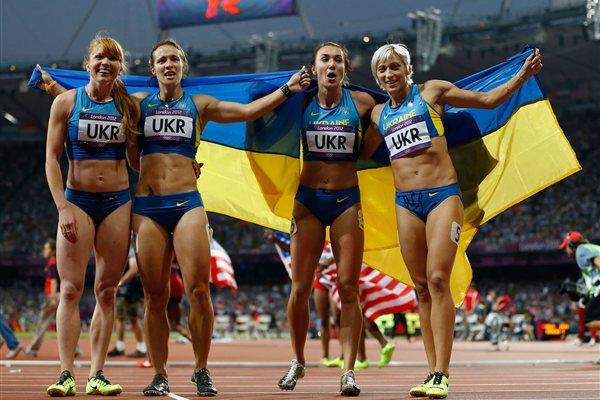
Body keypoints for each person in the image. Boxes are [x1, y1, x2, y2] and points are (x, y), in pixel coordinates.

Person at [127, 39, 310, 397]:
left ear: (183, 67)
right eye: (162, 60)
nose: (168, 65)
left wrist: (287, 89)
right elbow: (96, 102)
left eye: (174, 59)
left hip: (187, 203)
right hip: (148, 207)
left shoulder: (200, 104)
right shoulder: (136, 105)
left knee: (198, 289)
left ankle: (201, 369)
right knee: (154, 295)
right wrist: (55, 87)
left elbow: (247, 112)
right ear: (152, 69)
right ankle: (160, 373)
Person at [362, 43, 542, 398]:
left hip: (443, 197)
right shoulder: (376, 114)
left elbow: (488, 101)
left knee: (438, 278)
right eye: (382, 70)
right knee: (420, 287)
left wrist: (522, 76)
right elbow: (360, 153)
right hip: (405, 203)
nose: (388, 74)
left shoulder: (432, 92)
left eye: (395, 67)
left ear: (407, 68)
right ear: (376, 77)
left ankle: (442, 373)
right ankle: (430, 372)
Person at [278, 42, 376, 397]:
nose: (331, 64)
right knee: (300, 287)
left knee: (349, 288)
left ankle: (348, 371)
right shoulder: (299, 102)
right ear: (315, 68)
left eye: (338, 60)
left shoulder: (364, 104)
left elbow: (394, 120)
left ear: (345, 69)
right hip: (307, 203)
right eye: (325, 60)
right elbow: (262, 115)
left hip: (347, 201)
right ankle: (298, 360)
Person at [43, 34, 139, 397]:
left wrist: (178, 162)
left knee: (107, 290)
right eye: (100, 57)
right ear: (88, 63)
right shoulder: (66, 104)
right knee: (70, 289)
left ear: (119, 67)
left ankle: (97, 374)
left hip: (117, 202)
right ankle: (66, 374)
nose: (106, 63)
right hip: (77, 201)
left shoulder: (128, 106)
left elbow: (133, 160)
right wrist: (63, 206)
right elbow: (52, 159)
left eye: (113, 59)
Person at [25, 239, 82, 358]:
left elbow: (53, 280)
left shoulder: (52, 263)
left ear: (52, 251)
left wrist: (52, 297)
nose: (44, 251)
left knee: (42, 321)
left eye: (46, 248)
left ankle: (33, 348)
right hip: (62, 294)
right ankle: (75, 349)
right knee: (67, 321)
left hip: (54, 295)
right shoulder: (59, 262)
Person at [107, 244, 146, 358]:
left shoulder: (131, 249)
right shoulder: (124, 248)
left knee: (133, 319)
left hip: (130, 290)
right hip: (124, 289)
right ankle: (119, 346)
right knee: (119, 318)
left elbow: (134, 269)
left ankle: (141, 347)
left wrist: (120, 282)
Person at [560, 232, 600, 332]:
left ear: (571, 244)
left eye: (566, 247)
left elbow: (598, 260)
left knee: (590, 320)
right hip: (596, 288)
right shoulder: (590, 247)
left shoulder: (581, 250)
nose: (565, 250)